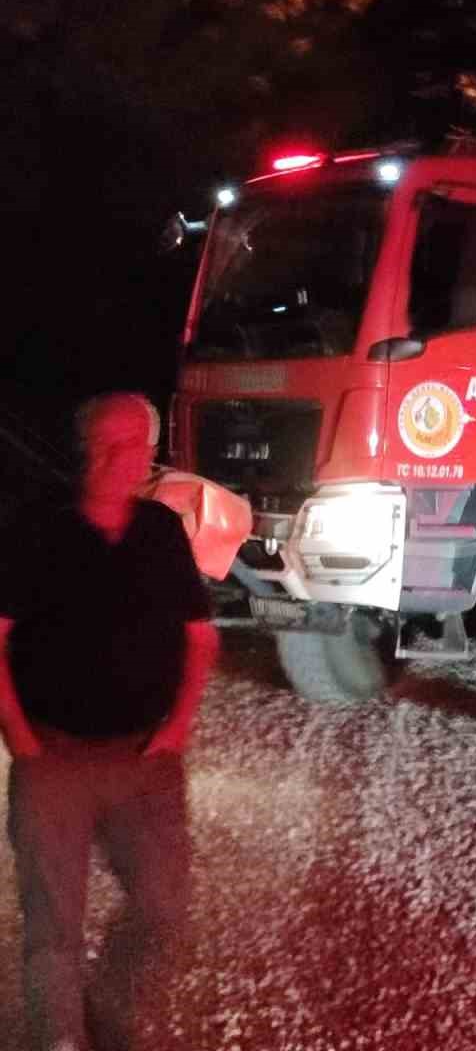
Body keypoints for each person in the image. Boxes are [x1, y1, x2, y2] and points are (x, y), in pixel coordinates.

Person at [0, 392, 219, 1051]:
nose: (111, 459)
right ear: (80, 449)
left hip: (145, 761)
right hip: (54, 759)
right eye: (99, 443)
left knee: (163, 910)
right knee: (52, 925)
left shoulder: (158, 530)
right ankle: (60, 1038)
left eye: (128, 446)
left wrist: (178, 726)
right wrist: (19, 736)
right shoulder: (38, 528)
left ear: (148, 458)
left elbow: (201, 636)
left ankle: (110, 1011)